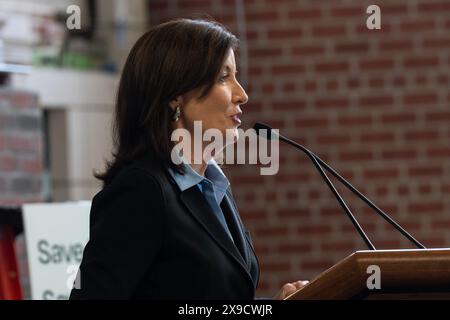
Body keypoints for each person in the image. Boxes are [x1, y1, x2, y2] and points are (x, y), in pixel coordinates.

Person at [69, 18, 307, 300]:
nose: (242, 94)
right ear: (175, 95)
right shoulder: (140, 190)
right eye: (223, 77)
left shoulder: (213, 186)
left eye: (236, 76)